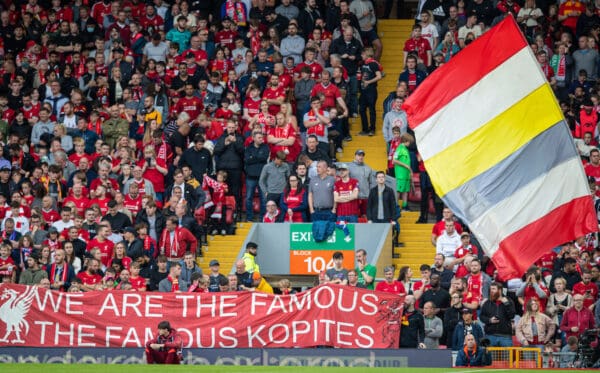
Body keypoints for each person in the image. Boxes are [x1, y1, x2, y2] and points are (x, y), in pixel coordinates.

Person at [479, 282, 516, 347]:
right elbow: (482, 316)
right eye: (490, 289)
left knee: (506, 357)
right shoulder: (487, 303)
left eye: (493, 289)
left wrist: (506, 304)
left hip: (505, 336)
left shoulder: (509, 301)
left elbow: (512, 315)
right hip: (490, 335)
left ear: (499, 290)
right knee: (490, 357)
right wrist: (489, 320)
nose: (491, 291)